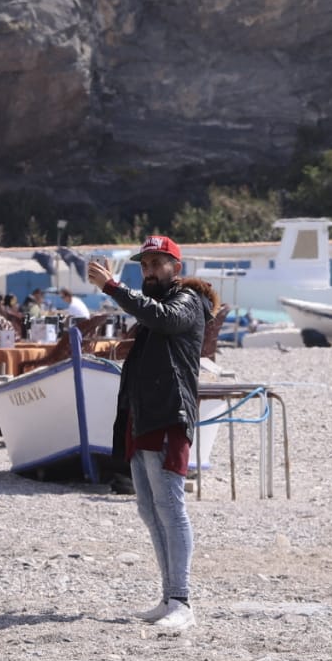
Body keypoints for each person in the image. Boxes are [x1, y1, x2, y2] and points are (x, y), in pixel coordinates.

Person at [88, 234, 214, 633]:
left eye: (157, 263)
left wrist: (113, 287)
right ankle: (168, 596)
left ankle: (181, 599)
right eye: (144, 265)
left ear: (176, 268)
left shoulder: (186, 302)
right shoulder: (156, 307)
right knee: (148, 508)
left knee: (170, 507)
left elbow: (163, 319)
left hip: (167, 418)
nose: (149, 270)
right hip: (144, 419)